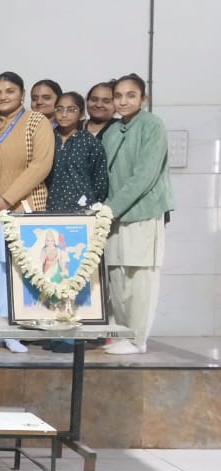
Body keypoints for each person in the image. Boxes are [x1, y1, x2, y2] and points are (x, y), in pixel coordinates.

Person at [0, 71, 55, 354]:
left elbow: (40, 166)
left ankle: (14, 331)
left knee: (14, 272)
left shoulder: (36, 122)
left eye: (9, 91)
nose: (3, 97)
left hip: (21, 209)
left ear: (22, 94)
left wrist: (6, 199)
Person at [103, 73, 173, 355]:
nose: (123, 101)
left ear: (143, 99)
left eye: (130, 95)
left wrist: (111, 208)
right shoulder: (112, 130)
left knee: (140, 277)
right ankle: (122, 333)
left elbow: (145, 175)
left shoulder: (152, 125)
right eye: (118, 96)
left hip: (142, 213)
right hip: (114, 216)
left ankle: (137, 339)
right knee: (116, 276)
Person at [47, 92, 110, 213]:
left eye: (71, 110)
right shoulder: (47, 138)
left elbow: (100, 182)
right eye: (59, 109)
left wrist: (90, 204)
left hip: (82, 208)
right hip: (48, 207)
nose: (64, 114)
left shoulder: (90, 143)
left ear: (81, 114)